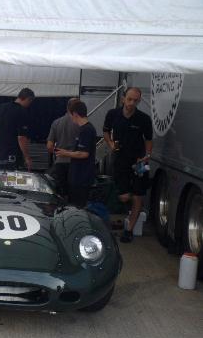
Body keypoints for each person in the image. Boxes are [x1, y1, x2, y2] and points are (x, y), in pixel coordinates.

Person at [103, 87, 152, 243]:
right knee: (124, 197)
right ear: (123, 98)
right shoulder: (113, 114)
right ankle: (128, 211)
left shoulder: (144, 119)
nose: (131, 103)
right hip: (120, 160)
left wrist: (146, 157)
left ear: (138, 101)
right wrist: (110, 144)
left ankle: (129, 229)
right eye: (129, 99)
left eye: (135, 100)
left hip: (139, 162)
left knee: (138, 195)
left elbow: (149, 140)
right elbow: (105, 131)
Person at [55, 101, 97, 208]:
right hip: (78, 175)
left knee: (78, 206)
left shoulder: (86, 130)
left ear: (74, 114)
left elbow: (83, 153)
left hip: (82, 176)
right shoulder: (83, 129)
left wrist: (65, 153)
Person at [0, 88, 35, 170]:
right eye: (30, 102)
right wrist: (27, 157)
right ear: (28, 99)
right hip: (12, 155)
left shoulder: (3, 107)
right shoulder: (22, 112)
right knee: (13, 180)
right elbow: (21, 138)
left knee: (0, 179)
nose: (29, 104)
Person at [46, 97, 81, 196]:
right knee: (74, 194)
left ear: (67, 107)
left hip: (60, 163)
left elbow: (49, 146)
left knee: (61, 192)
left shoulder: (56, 122)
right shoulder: (81, 124)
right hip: (76, 162)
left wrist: (58, 152)